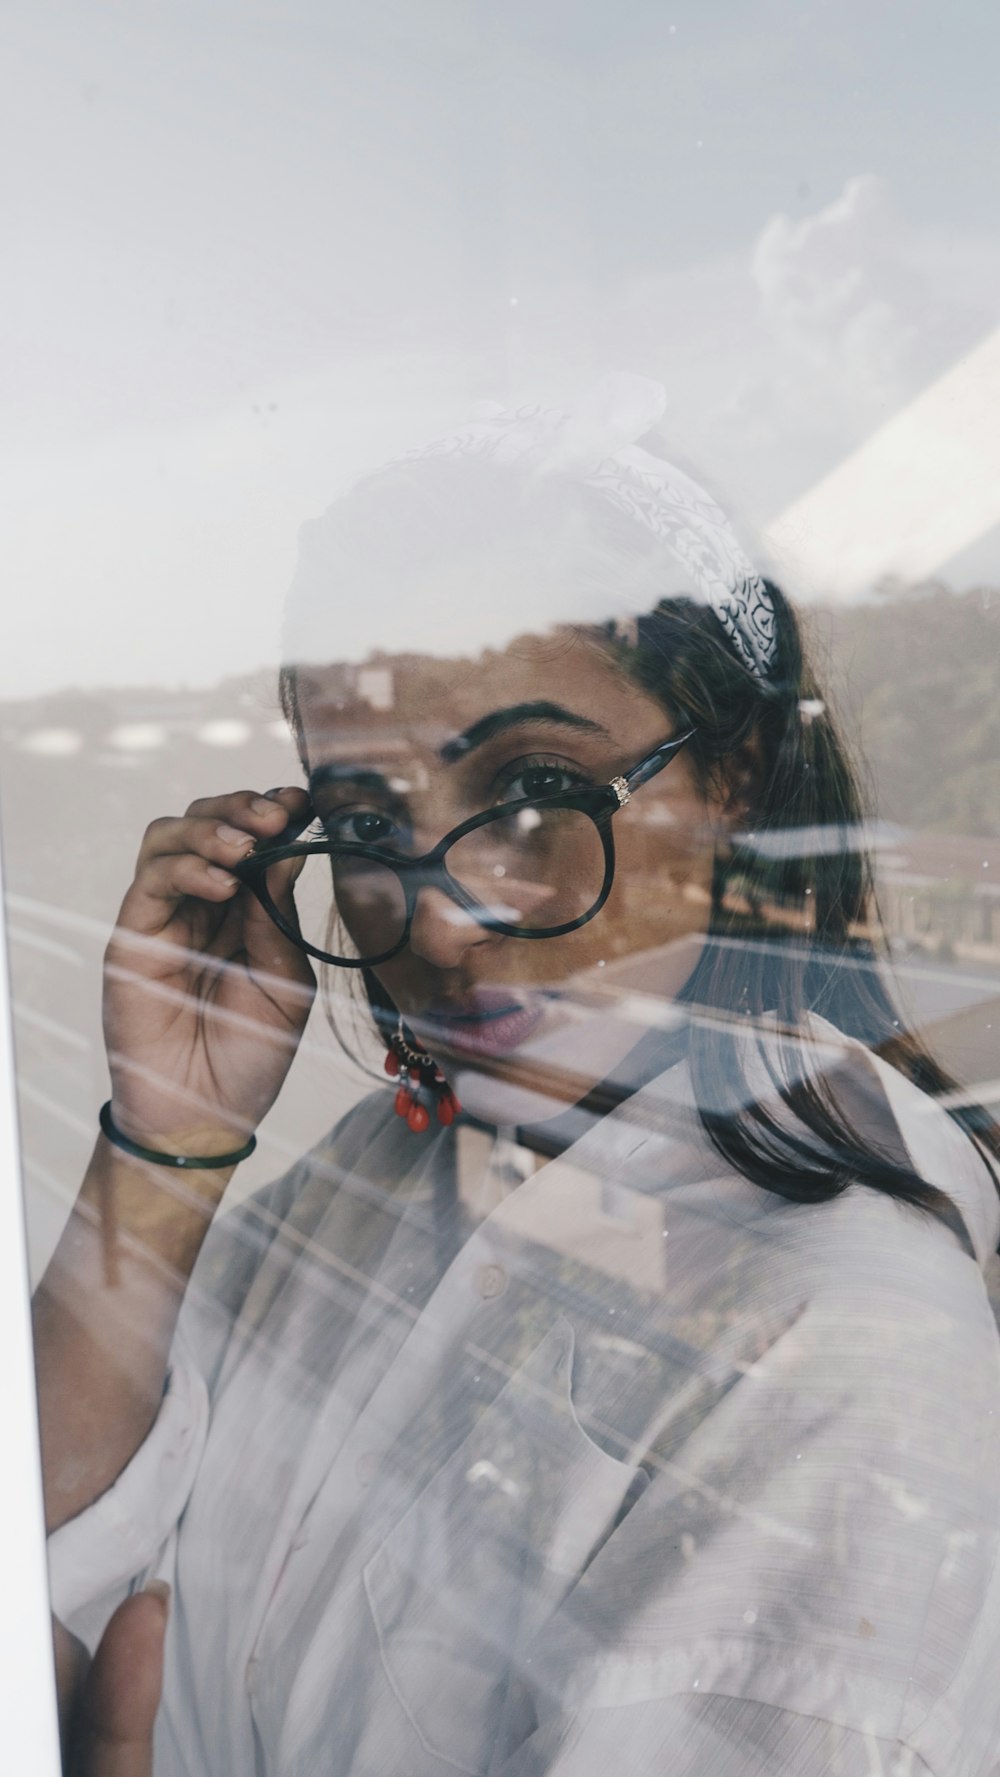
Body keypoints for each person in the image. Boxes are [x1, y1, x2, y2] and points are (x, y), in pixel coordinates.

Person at [34, 382, 1000, 1776]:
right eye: (366, 820)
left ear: (731, 773)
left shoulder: (846, 1346)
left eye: (541, 789)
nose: (437, 916)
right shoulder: (371, 1186)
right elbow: (46, 1597)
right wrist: (164, 1152)